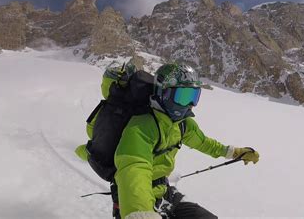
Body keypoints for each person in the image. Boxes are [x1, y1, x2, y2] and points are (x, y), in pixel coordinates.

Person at [110, 63, 259, 218]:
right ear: (164, 93)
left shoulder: (182, 124)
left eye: (193, 97)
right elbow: (134, 168)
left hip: (164, 193)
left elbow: (203, 142)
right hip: (135, 199)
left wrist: (234, 152)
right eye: (183, 97)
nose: (189, 105)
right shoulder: (141, 127)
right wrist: (141, 214)